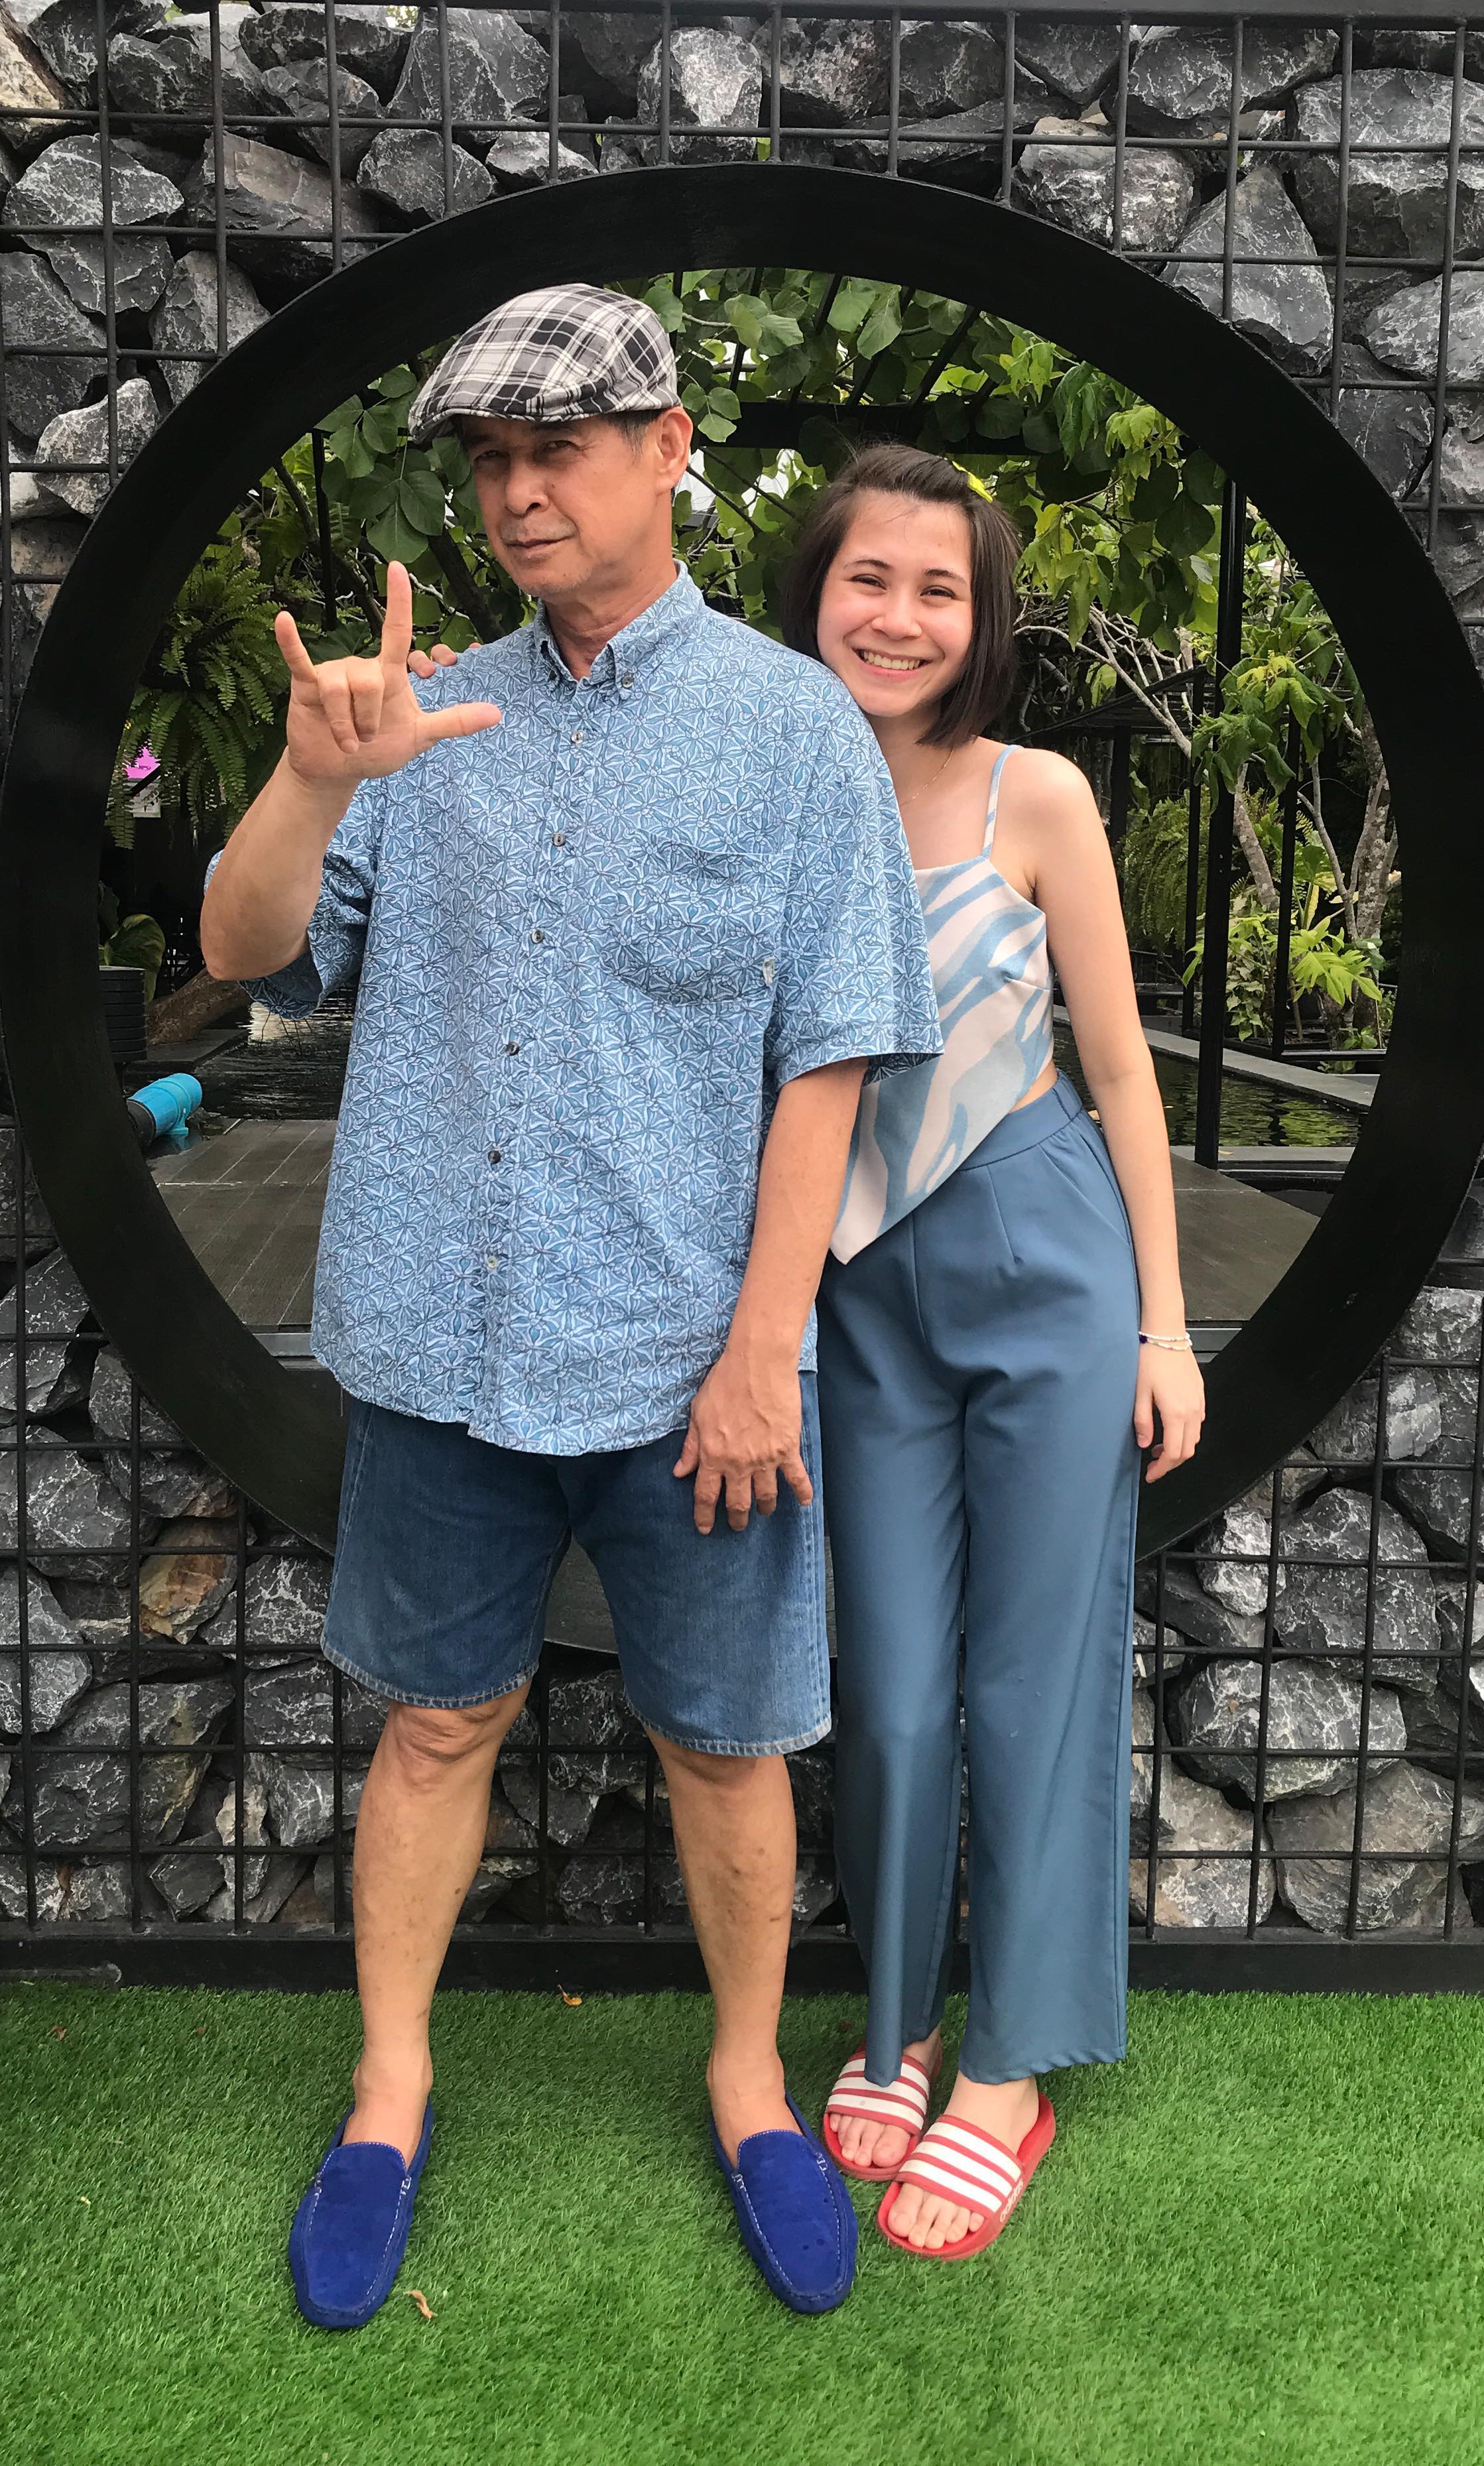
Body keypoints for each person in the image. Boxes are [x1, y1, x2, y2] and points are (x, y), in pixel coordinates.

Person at [200, 288, 941, 2325]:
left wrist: (764, 1349)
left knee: (725, 1743)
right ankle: (389, 2089)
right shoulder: (416, 716)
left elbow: (832, 1055)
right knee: (438, 1720)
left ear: (670, 449)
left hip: (691, 1363)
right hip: (437, 1341)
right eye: (492, 460)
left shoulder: (792, 731)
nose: (521, 491)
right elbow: (248, 954)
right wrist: (308, 781)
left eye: (563, 448)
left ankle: (746, 2085)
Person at [776, 444, 1204, 2263]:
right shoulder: (766, 787)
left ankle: (1010, 2068)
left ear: (982, 619)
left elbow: (1121, 1074)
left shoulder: (1037, 795)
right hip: (854, 1287)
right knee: (886, 1689)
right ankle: (894, 2024)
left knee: (1032, 1681)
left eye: (937, 588)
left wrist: (1164, 1324)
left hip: (1043, 1260)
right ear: (815, 591)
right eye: (866, 577)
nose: (897, 615)